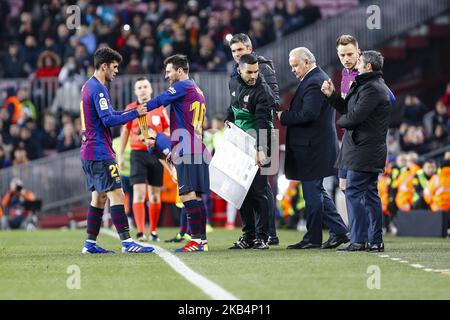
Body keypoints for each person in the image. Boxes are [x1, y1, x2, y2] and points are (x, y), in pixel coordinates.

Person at [79, 47, 153, 254]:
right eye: (114, 66)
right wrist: (135, 113)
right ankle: (128, 242)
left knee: (99, 197)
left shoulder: (88, 86)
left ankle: (90, 244)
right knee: (118, 194)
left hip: (88, 151)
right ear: (104, 66)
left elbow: (109, 114)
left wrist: (132, 112)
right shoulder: (98, 89)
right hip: (99, 152)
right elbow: (109, 120)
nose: (116, 71)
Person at [277, 47, 349, 250]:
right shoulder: (315, 78)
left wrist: (285, 117)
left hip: (313, 148)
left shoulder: (315, 80)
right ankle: (339, 232)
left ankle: (313, 238)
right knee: (316, 192)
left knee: (312, 195)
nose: (292, 70)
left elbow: (308, 114)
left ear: (307, 62)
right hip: (315, 147)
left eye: (295, 65)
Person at [321, 50, 392, 252]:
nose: (356, 63)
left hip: (365, 149)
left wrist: (340, 122)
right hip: (364, 148)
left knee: (353, 191)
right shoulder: (368, 85)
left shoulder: (373, 89)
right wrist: (331, 96)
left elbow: (353, 118)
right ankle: (374, 240)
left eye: (359, 61)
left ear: (368, 66)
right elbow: (347, 109)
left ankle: (360, 240)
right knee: (369, 193)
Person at [144, 54, 210, 253]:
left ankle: (196, 240)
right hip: (196, 145)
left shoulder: (182, 86)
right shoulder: (197, 90)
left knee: (187, 194)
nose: (166, 75)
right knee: (197, 197)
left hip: (187, 148)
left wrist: (137, 111)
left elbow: (160, 100)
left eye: (169, 71)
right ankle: (202, 241)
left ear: (180, 71)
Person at [229, 33, 280, 245]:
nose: (253, 75)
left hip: (260, 137)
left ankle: (265, 235)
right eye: (234, 51)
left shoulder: (262, 84)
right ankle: (249, 234)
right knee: (242, 189)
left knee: (259, 189)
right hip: (241, 139)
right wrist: (227, 120)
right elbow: (232, 106)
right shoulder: (233, 81)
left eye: (255, 71)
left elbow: (263, 116)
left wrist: (260, 148)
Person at [118, 77, 170, 242]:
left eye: (145, 86)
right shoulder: (130, 108)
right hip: (137, 154)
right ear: (135, 91)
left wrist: (156, 139)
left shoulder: (159, 108)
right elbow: (125, 132)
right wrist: (120, 156)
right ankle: (140, 232)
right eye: (139, 87)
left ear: (150, 90)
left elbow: (168, 131)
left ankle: (153, 231)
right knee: (138, 193)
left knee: (154, 195)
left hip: (156, 154)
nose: (142, 90)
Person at [335, 35, 360, 193]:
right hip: (347, 136)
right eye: (342, 55)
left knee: (356, 189)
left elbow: (389, 98)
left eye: (350, 54)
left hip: (361, 138)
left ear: (359, 52)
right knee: (344, 185)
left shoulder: (365, 73)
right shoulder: (345, 73)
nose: (346, 59)